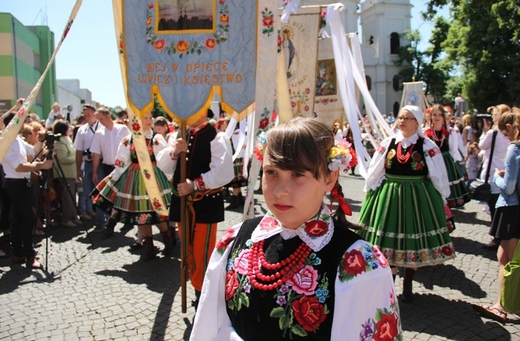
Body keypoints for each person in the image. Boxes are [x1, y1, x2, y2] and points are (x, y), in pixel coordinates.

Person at [190, 117, 401, 340]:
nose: (281, 190)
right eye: (271, 172)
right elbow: (207, 327)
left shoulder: (359, 263)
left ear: (330, 178)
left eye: (298, 174)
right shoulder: (235, 240)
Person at [359, 105, 455, 302]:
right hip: (390, 195)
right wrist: (370, 189)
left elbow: (438, 173)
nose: (402, 121)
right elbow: (377, 169)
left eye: (408, 118)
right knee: (388, 242)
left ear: (417, 122)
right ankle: (390, 285)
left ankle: (408, 283)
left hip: (416, 195)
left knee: (412, 237)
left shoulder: (427, 145)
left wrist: (441, 197)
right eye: (400, 117)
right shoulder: (388, 143)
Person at [158, 108, 233, 308]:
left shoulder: (217, 136)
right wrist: (174, 152)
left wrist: (195, 184)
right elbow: (164, 167)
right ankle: (198, 289)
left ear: (202, 113)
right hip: (182, 204)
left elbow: (224, 172)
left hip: (205, 203)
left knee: (203, 252)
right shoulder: (179, 134)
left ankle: (204, 295)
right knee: (187, 250)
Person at [91, 111, 173, 260]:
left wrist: (170, 177)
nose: (149, 121)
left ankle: (167, 242)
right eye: (145, 118)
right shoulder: (128, 140)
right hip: (136, 180)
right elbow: (123, 162)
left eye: (150, 118)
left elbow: (164, 160)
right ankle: (149, 247)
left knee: (159, 214)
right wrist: (113, 177)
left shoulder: (156, 139)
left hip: (155, 179)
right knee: (142, 215)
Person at [473, 107, 520, 323]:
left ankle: (502, 306)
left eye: (505, 132)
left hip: (511, 210)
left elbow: (509, 187)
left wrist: (497, 177)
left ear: (510, 127)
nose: (505, 136)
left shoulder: (515, 149)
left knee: (505, 259)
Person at [2, 112, 53, 269]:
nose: (24, 126)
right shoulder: (5, 142)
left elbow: (33, 150)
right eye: (21, 122)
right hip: (14, 183)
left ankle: (19, 253)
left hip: (21, 182)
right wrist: (41, 166)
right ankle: (29, 254)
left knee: (18, 219)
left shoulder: (17, 139)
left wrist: (43, 140)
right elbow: (18, 166)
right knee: (28, 218)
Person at [90, 107, 131, 233]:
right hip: (108, 167)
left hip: (124, 168)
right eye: (98, 120)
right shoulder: (99, 133)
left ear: (108, 116)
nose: (100, 122)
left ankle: (122, 221)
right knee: (110, 196)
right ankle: (110, 223)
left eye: (101, 119)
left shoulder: (123, 129)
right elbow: (96, 153)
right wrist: (95, 171)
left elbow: (130, 146)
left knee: (124, 196)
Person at [424, 104, 470, 208]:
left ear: (443, 117)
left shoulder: (450, 132)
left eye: (439, 115)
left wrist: (460, 162)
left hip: (445, 162)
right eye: (434, 114)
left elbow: (454, 149)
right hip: (431, 162)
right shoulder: (426, 133)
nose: (436, 117)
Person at [479, 105, 511, 250]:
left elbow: (482, 145)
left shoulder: (494, 133)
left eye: (494, 114)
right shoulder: (510, 133)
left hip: (494, 174)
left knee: (494, 207)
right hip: (508, 173)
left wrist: (485, 130)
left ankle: (497, 237)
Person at [73, 104, 106, 226]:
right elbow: (78, 151)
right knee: (88, 191)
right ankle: (94, 213)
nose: (87, 117)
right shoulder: (82, 130)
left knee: (100, 190)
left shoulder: (102, 127)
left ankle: (101, 219)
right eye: (85, 115)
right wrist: (78, 168)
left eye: (89, 114)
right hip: (87, 163)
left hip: (101, 163)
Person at [52, 120, 82, 228]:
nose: (71, 129)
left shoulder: (67, 139)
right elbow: (62, 159)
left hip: (71, 173)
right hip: (64, 173)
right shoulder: (59, 141)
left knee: (72, 197)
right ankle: (66, 218)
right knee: (67, 198)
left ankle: (73, 216)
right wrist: (77, 158)